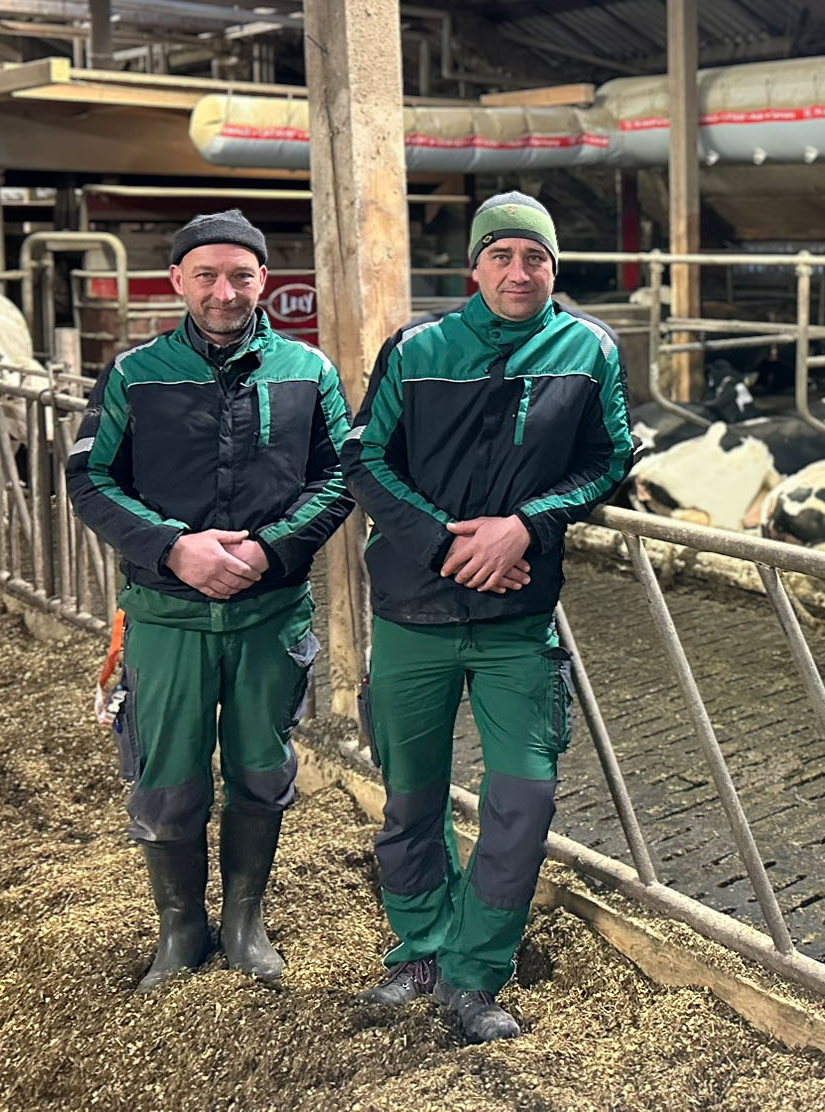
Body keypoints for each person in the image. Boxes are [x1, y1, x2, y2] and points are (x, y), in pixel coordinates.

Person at [344, 191, 632, 1043]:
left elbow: (609, 455)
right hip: (414, 610)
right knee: (412, 798)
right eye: (502, 255)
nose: (520, 272)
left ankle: (475, 974)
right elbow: (363, 457)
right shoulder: (418, 347)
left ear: (555, 270)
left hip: (517, 623)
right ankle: (419, 950)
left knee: (525, 798)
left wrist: (526, 527)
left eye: (535, 258)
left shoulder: (588, 349)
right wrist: (442, 545)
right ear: (474, 267)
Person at [68, 210, 353, 991]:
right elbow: (90, 478)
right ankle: (180, 926)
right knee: (167, 774)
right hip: (167, 613)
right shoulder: (136, 374)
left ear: (266, 280)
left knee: (263, 767)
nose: (224, 292)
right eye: (206, 275)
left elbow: (337, 477)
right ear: (178, 282)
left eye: (241, 275)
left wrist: (270, 547)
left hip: (270, 609)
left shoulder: (309, 373)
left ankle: (244, 919)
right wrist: (174, 546)